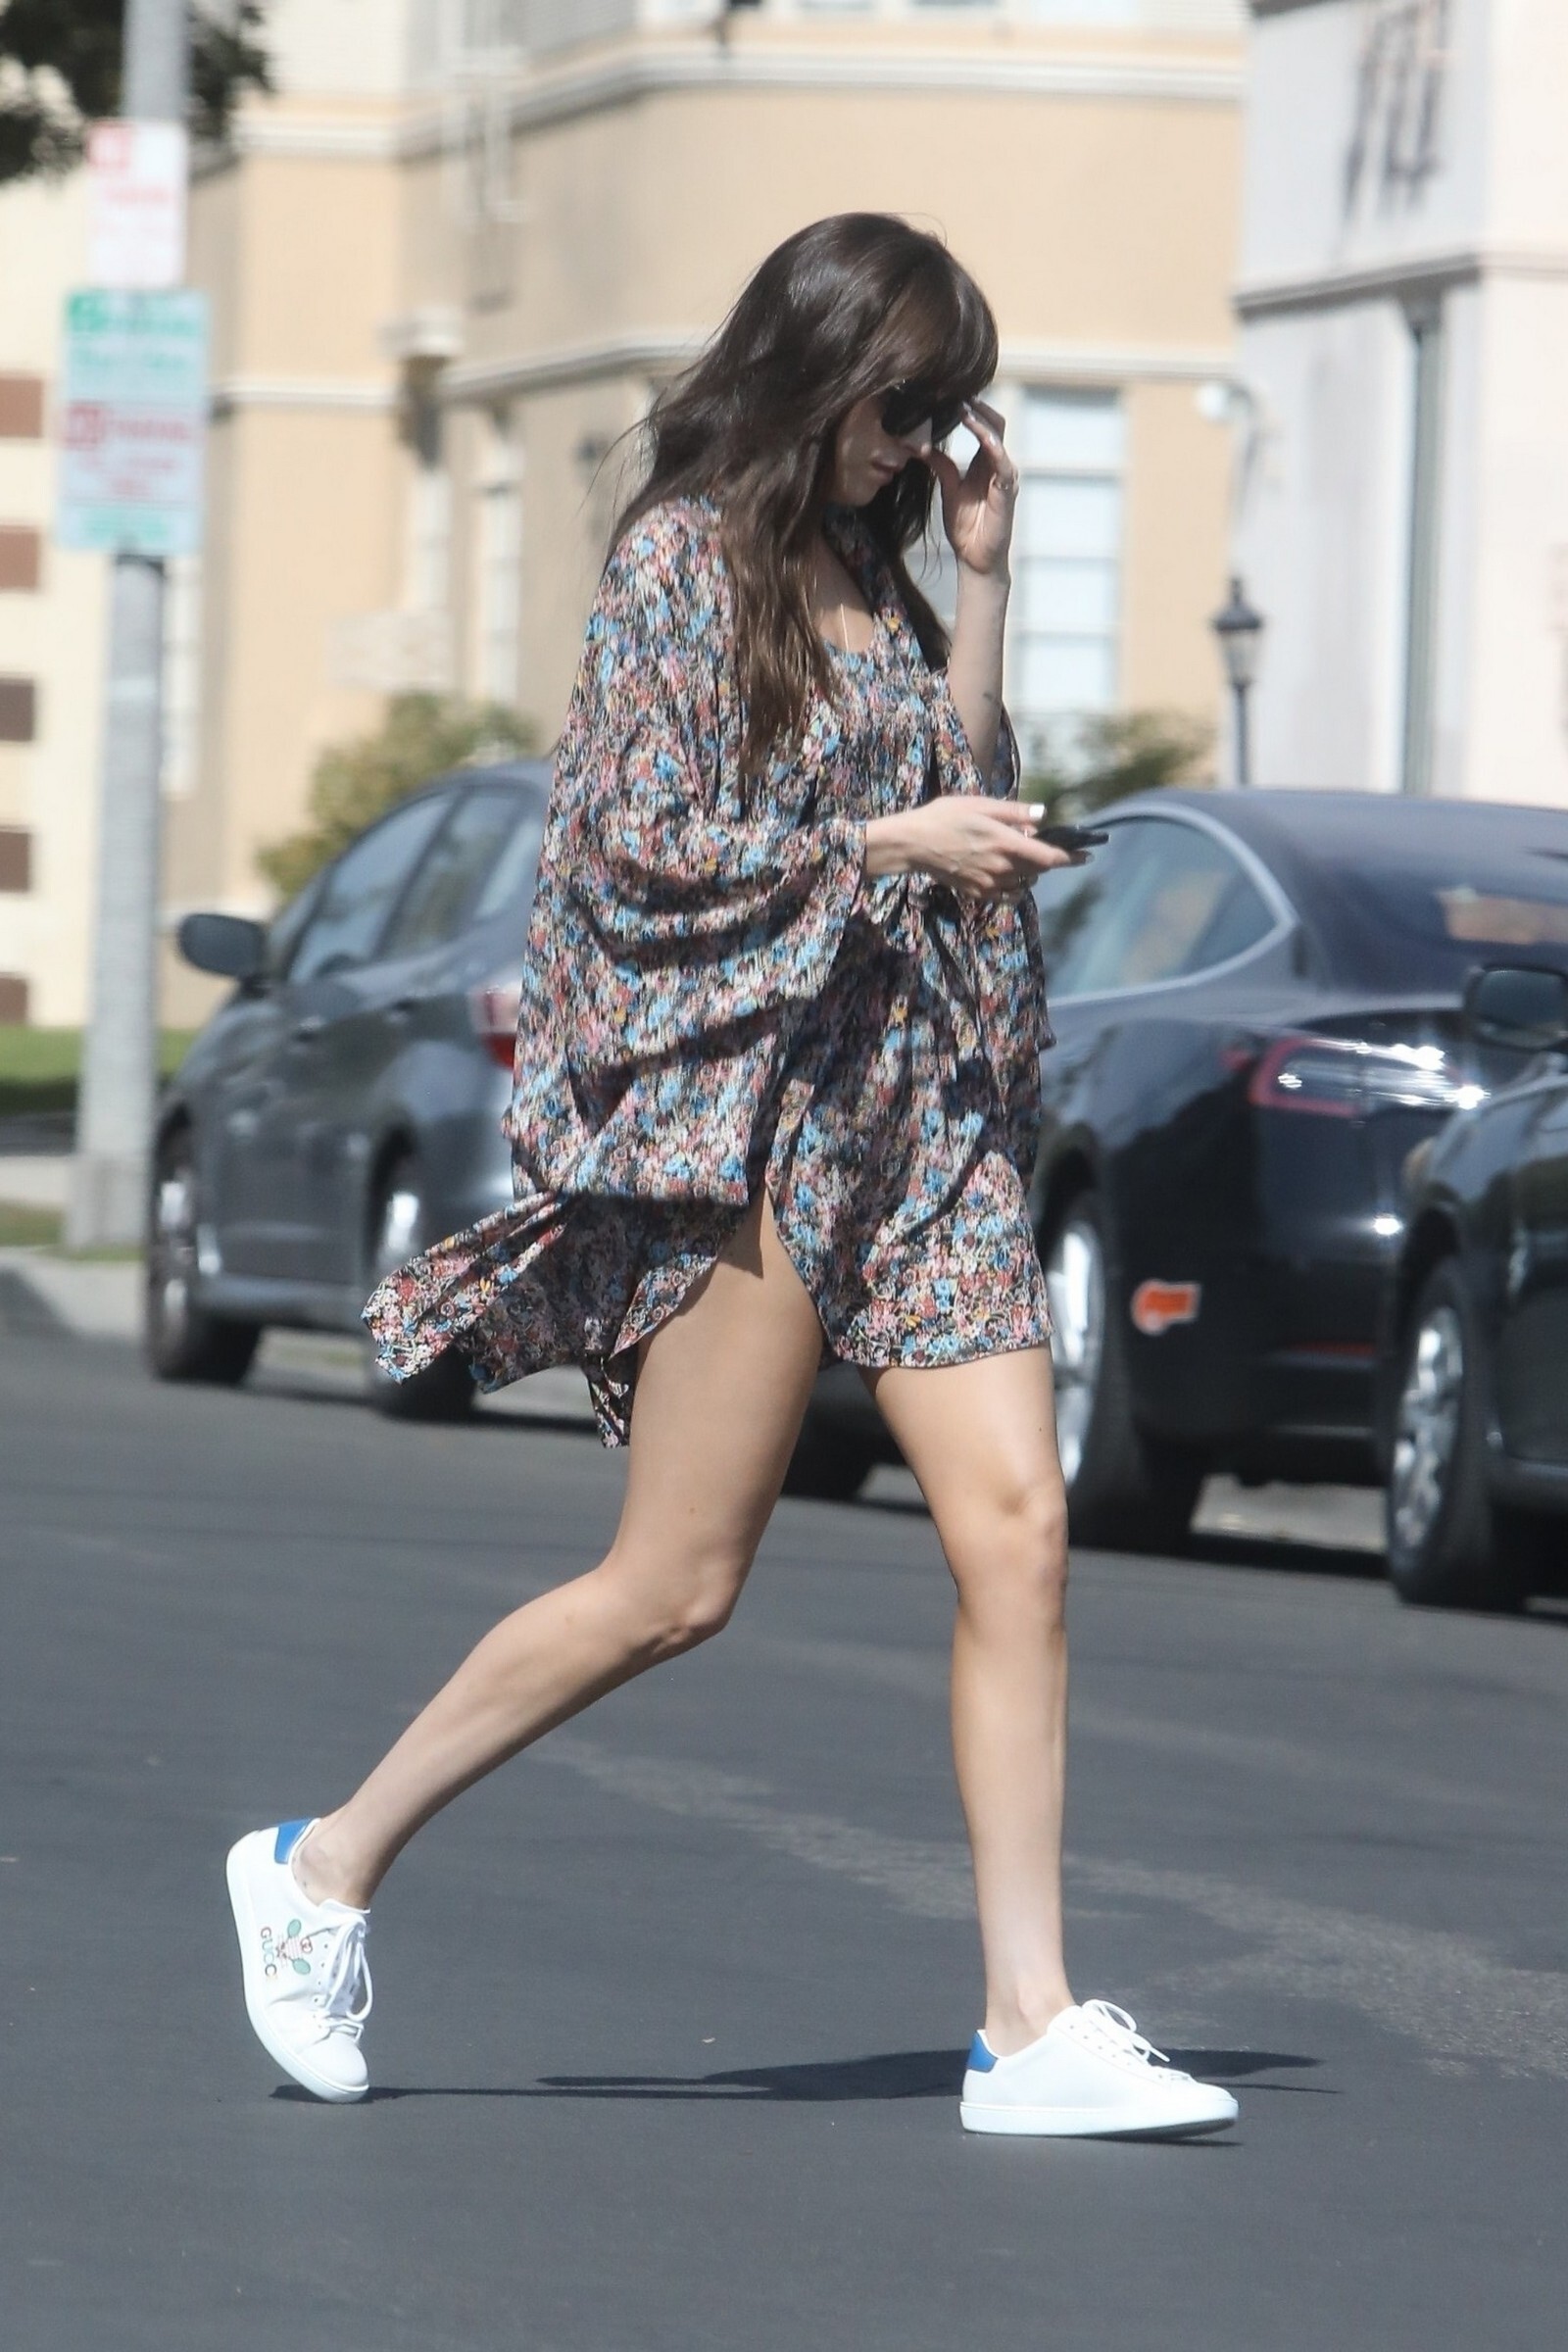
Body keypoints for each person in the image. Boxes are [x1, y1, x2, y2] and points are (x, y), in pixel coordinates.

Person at [224, 214, 1237, 2140]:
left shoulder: (881, 570)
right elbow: (633, 845)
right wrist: (883, 850)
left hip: (924, 1119)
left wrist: (982, 587)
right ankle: (322, 1864)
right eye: (903, 406)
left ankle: (1027, 2023)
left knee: (1019, 1533)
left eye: (947, 412)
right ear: (818, 367)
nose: (921, 443)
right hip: (760, 1120)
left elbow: (952, 773)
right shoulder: (681, 561)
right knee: (675, 1587)